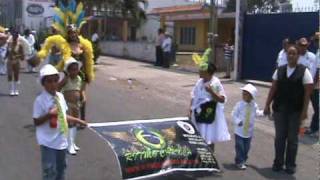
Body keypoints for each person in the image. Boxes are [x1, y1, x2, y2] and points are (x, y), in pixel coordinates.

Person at [264, 44, 313, 174]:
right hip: (280, 110)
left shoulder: (304, 71)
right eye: (289, 53)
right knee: (279, 138)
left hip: (295, 111)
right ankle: (278, 163)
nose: (291, 55)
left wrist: (304, 111)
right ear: (286, 55)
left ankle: (290, 165)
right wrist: (267, 104)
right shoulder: (279, 70)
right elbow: (273, 89)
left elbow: (308, 93)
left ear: (298, 56)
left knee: (292, 139)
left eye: (294, 53)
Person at [33, 64, 87, 180]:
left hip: (61, 140)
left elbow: (63, 116)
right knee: (49, 171)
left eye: (55, 80)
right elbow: (36, 121)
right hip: (47, 142)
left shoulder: (60, 96)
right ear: (43, 83)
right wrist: (49, 115)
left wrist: (78, 120)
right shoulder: (40, 100)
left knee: (61, 170)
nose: (53, 84)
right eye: (49, 81)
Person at [189, 58, 230, 152]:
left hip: (209, 115)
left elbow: (222, 99)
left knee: (209, 137)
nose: (199, 72)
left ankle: (210, 157)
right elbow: (193, 95)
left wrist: (211, 91)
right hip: (198, 113)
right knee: (198, 136)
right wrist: (190, 109)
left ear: (207, 73)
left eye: (201, 71)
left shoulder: (215, 83)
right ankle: (200, 157)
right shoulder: (199, 82)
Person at [232, 83, 263, 170]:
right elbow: (234, 114)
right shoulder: (239, 104)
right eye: (243, 94)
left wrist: (264, 112)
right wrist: (238, 121)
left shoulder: (254, 105)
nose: (244, 96)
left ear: (252, 96)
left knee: (246, 148)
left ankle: (243, 159)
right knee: (240, 146)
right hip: (239, 131)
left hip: (249, 132)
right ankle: (239, 161)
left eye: (246, 94)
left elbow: (257, 113)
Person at [59, 58, 84, 155]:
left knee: (74, 124)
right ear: (68, 70)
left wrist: (82, 98)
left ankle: (73, 143)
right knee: (69, 124)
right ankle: (69, 145)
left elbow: (80, 90)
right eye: (72, 69)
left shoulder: (79, 79)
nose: (75, 71)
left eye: (76, 69)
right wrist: (65, 76)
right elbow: (59, 87)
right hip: (67, 104)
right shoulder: (66, 80)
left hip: (76, 105)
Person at [296, 37, 319, 136]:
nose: (303, 47)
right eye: (301, 45)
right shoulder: (295, 56)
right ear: (298, 45)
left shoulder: (313, 56)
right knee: (299, 107)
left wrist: (314, 85)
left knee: (317, 108)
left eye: (305, 45)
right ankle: (299, 128)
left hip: (312, 87)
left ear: (307, 45)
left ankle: (314, 128)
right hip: (300, 87)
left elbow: (316, 71)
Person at [7, 31, 24, 96]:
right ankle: (11, 90)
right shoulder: (9, 44)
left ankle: (16, 90)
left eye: (16, 36)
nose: (14, 38)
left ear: (17, 37)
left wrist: (17, 56)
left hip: (16, 62)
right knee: (10, 75)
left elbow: (22, 56)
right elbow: (7, 52)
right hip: (9, 61)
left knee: (16, 76)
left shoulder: (20, 45)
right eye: (13, 36)